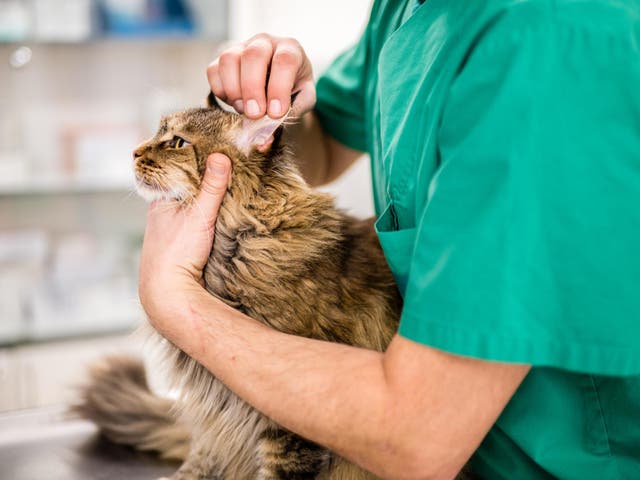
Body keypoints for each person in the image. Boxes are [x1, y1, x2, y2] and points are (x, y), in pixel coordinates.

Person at [138, 1, 640, 478]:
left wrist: (180, 305)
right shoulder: (409, 9)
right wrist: (272, 107)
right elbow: (325, 141)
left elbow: (421, 439)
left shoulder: (546, 46)